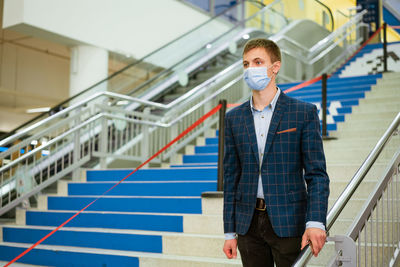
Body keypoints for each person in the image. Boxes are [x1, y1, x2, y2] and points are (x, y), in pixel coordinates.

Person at [222, 38, 330, 267]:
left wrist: (316, 221)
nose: (251, 68)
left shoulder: (303, 113)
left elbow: (317, 174)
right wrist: (229, 232)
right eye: (246, 64)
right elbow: (231, 177)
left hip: (289, 221)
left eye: (258, 61)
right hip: (247, 224)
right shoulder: (233, 118)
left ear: (275, 67)